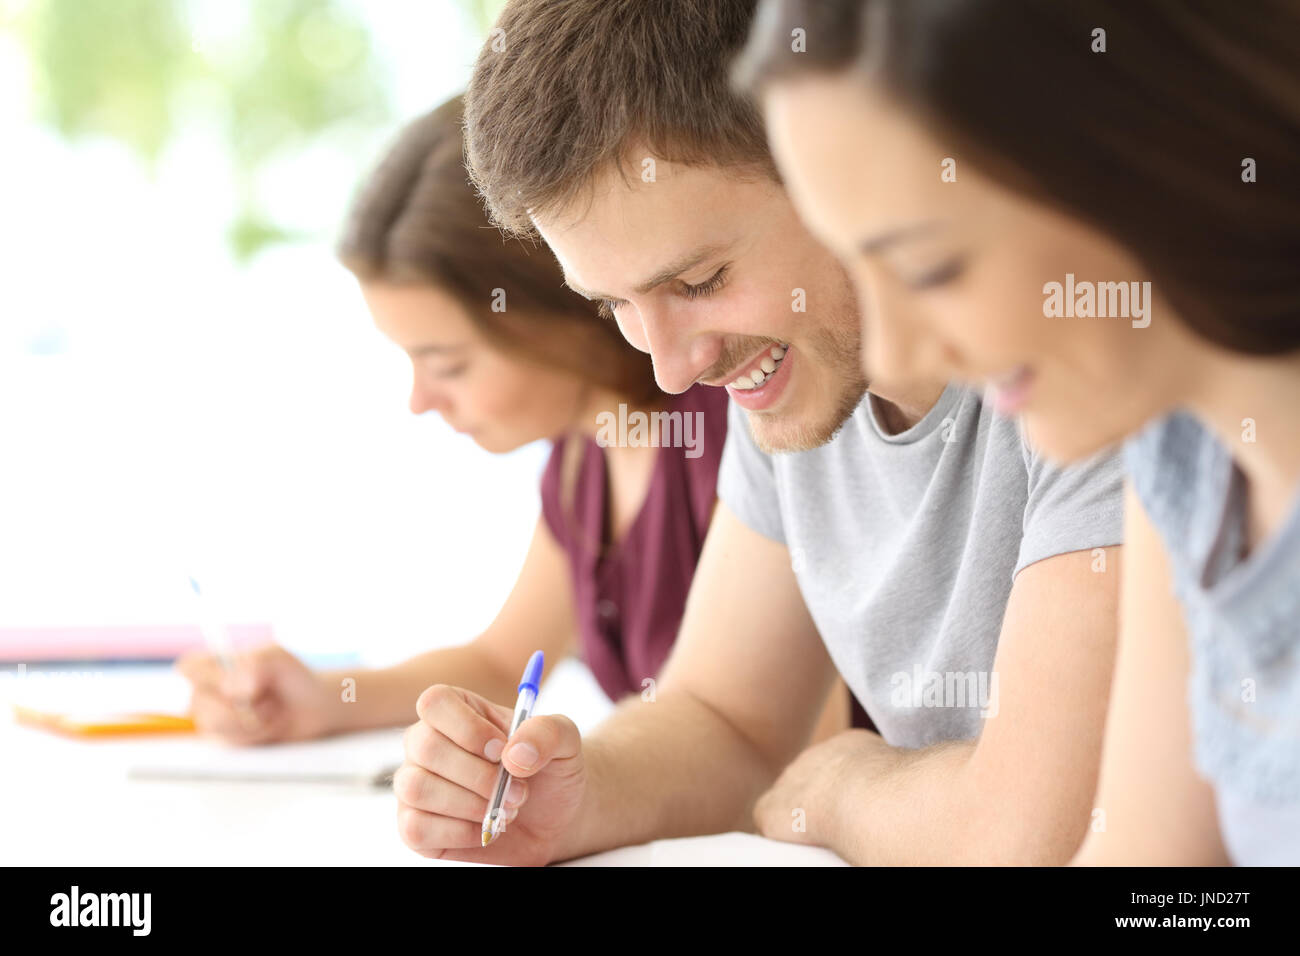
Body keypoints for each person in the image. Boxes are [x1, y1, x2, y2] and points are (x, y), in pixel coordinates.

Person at [391, 0, 1124, 867]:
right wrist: (577, 795)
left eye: (699, 281)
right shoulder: (794, 371)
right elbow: (727, 720)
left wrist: (839, 785)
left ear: (836, 164)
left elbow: (1033, 836)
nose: (670, 370)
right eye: (615, 304)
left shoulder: (1092, 357)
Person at [738, 0, 1300, 864]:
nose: (890, 354)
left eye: (929, 266)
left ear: (1147, 154)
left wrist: (848, 790)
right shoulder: (1180, 462)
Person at [177, 96, 853, 749]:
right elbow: (501, 665)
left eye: (448, 362)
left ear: (558, 304)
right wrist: (323, 698)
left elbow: (784, 749)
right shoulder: (584, 459)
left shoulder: (744, 423)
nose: (420, 400)